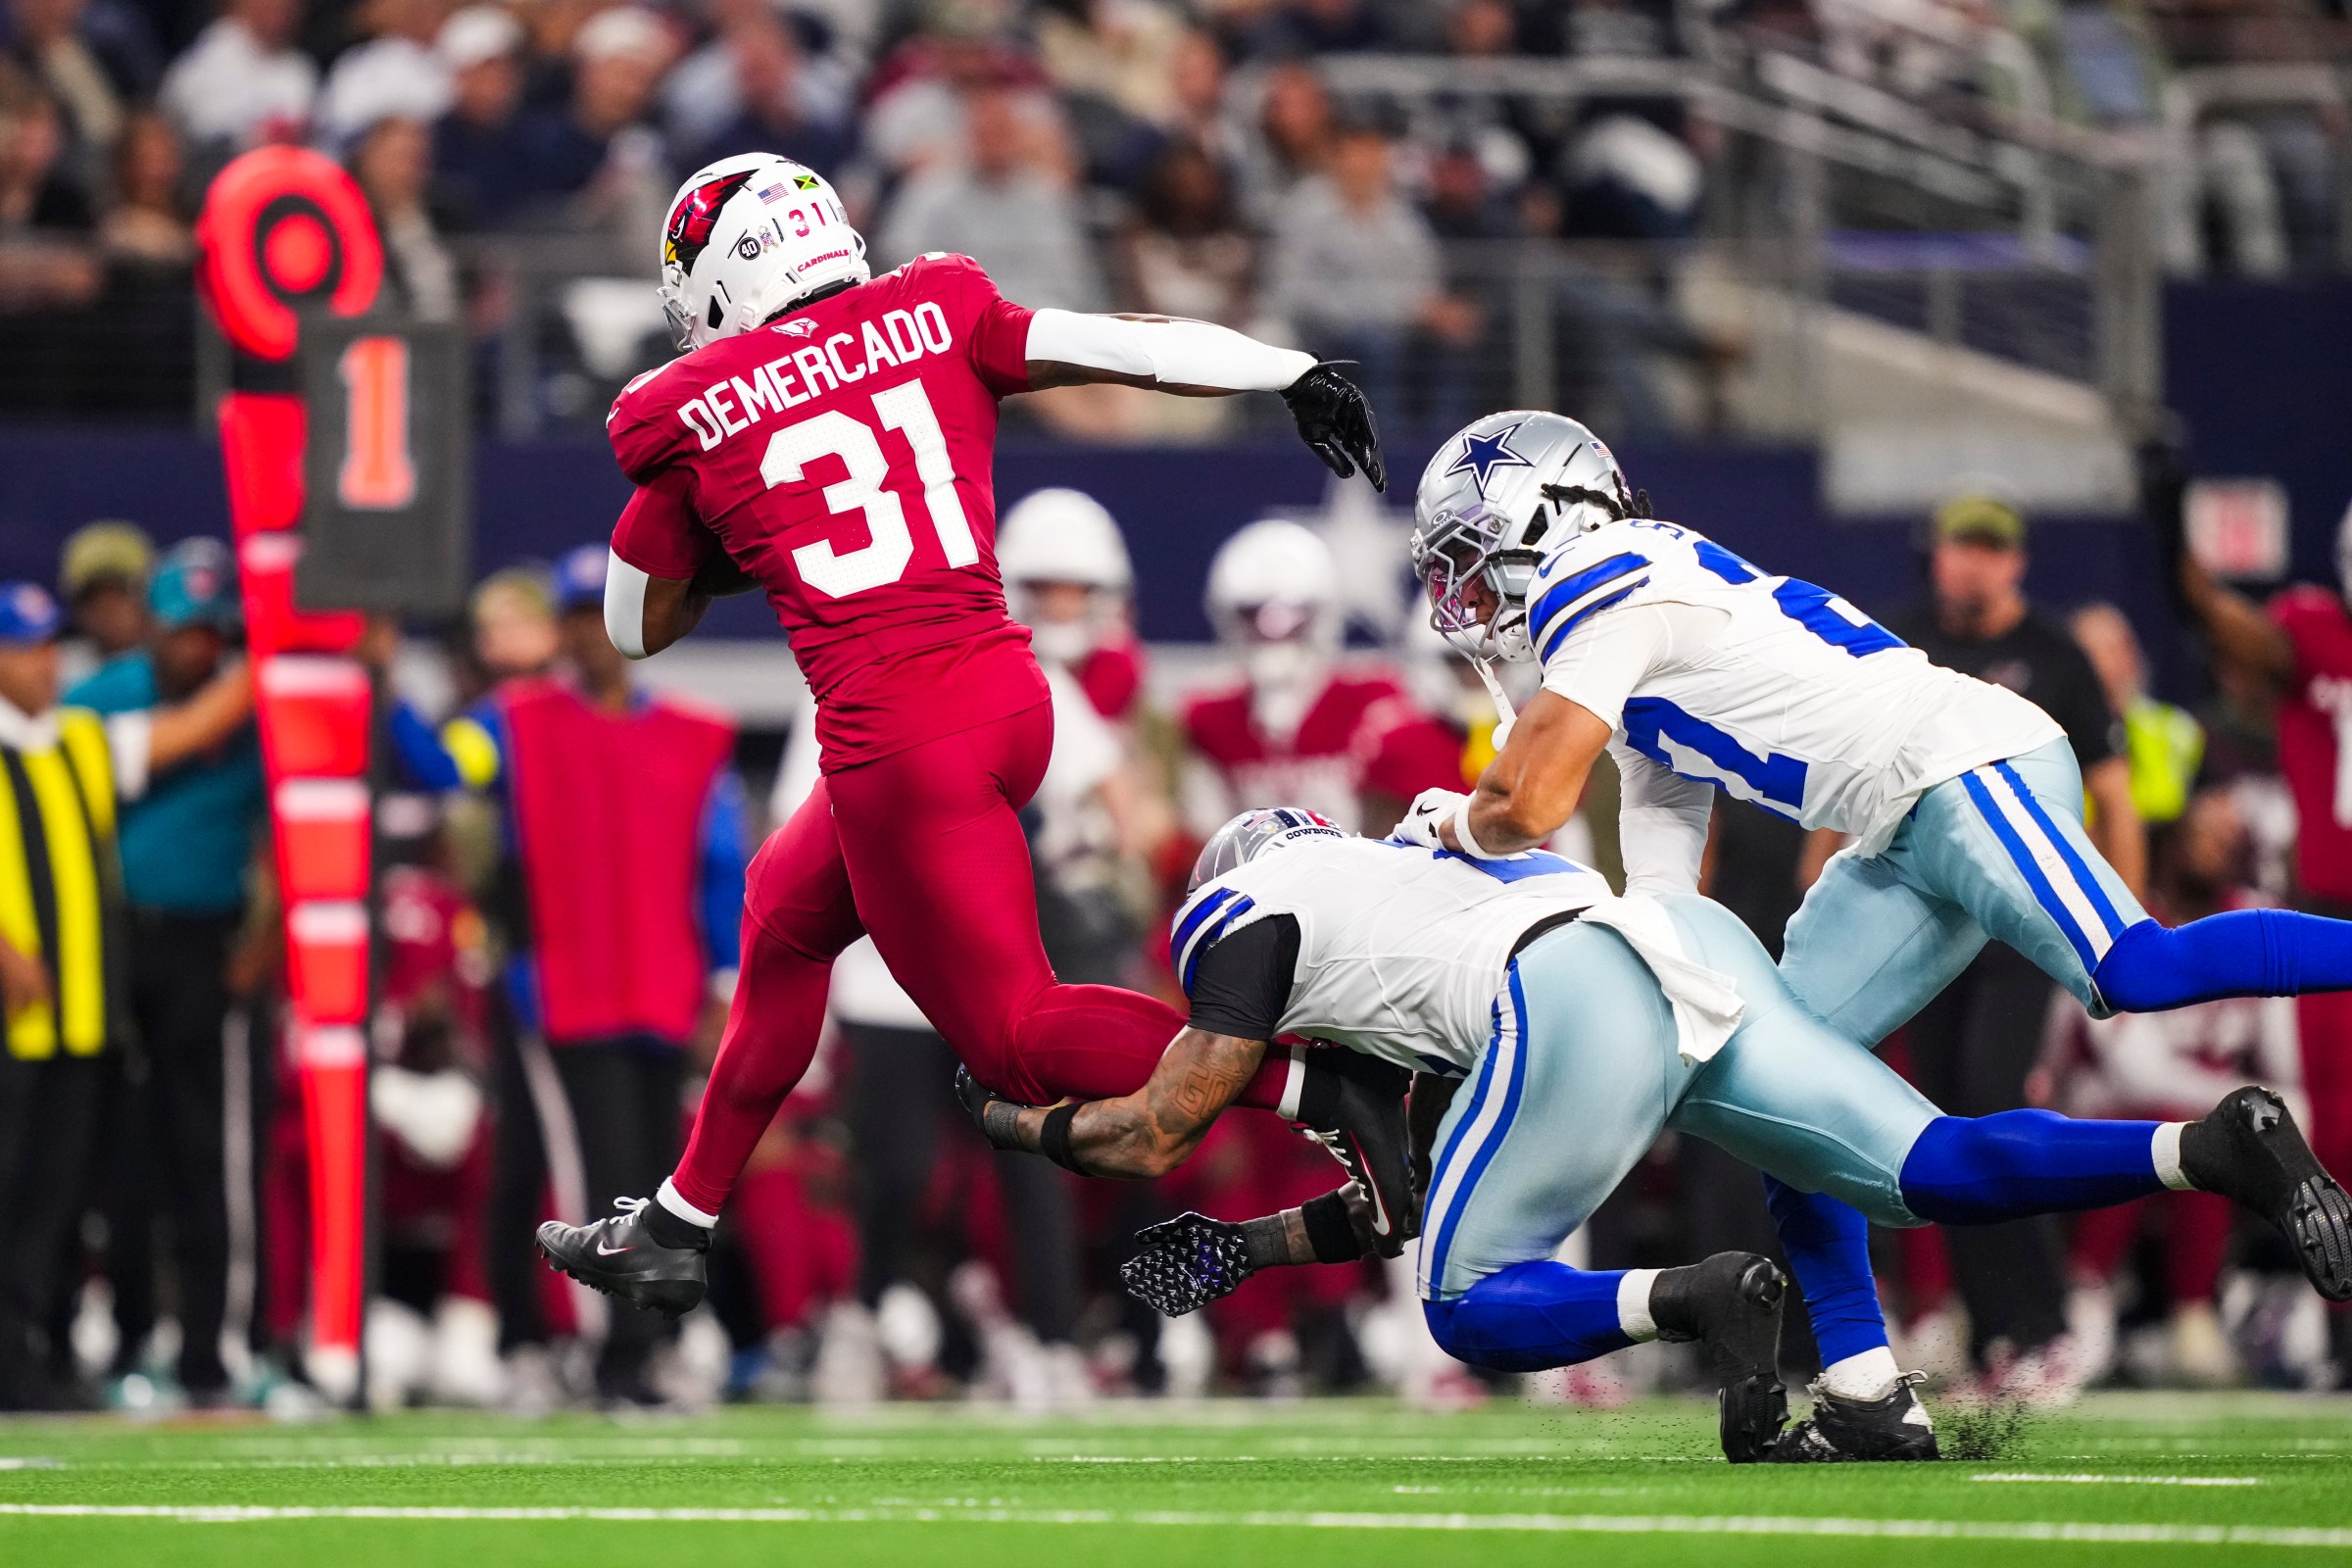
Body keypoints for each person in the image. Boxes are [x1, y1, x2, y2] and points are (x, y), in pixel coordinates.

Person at [1390, 409, 2352, 1452]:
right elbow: (1662, 864)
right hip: (1904, 819)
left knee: (2137, 966)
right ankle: (1865, 1391)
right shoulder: (1626, 614)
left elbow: (1527, 806)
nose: (1467, 598)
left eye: (1472, 560)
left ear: (1547, 517)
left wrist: (1445, 823)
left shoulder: (1599, 577)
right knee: (1775, 1093)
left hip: (1968, 762)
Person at [535, 149, 1391, 1315]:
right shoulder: (934, 307)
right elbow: (1125, 341)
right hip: (1004, 698)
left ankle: (1329, 1089)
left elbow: (632, 626)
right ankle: (679, 1218)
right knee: (785, 918)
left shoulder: (688, 409)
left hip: (897, 740)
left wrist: (738, 519)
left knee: (1020, 1038)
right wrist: (1285, 367)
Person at [958, 809, 2352, 1460]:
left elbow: (1162, 1125)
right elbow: (1400, 1192)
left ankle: (1692, 1296)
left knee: (1461, 1307)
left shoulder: (1252, 904)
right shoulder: (1402, 888)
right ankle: (2206, 1149)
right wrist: (1255, 1249)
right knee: (1925, 1167)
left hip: (1562, 990)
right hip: (1671, 934)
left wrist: (1015, 1120)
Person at [404, 545, 749, 1404]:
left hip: (661, 994)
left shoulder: (696, 736)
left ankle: (589, 1345)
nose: (596, 632)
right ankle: (616, 1357)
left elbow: (719, 868)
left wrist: (720, 980)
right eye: (579, 615)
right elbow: (445, 770)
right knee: (591, 1172)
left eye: (611, 611)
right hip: (565, 992)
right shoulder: (513, 722)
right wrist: (379, 681)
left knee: (640, 1173)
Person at [1879, 497, 2144, 1395]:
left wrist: (2119, 925)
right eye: (1963, 546)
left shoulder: (2060, 656)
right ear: (1940, 555)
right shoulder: (1905, 645)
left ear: (2016, 564)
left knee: (1991, 1102)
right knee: (1944, 1129)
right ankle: (2002, 1338)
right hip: (1929, 920)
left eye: (1992, 550)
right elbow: (1861, 775)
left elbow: (2114, 794)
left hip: (2021, 923)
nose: (1975, 565)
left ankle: (2044, 1324)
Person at [0, 578, 252, 1409]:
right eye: (25, 647)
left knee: (60, 1197)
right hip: (14, 1016)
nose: (43, 663)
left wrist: (284, 643)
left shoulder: (77, 738)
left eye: (47, 646)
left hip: (79, 1013)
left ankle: (33, 1353)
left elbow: (192, 728)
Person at [64, 538, 262, 1407]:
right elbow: (123, 759)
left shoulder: (252, 712)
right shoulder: (104, 697)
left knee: (205, 1158)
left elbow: (294, 821)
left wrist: (271, 936)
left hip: (203, 947)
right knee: (97, 1154)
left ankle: (208, 1358)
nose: (201, 648)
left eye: (217, 633)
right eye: (187, 631)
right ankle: (102, 1343)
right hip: (106, 940)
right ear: (152, 628)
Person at [2174, 473, 2352, 1383]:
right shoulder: (2315, 636)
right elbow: (2222, 621)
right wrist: (2174, 531)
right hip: (2330, 920)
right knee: (2338, 1127)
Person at [1182, 517, 1462, 839]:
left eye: (1293, 616)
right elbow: (1204, 830)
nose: (1273, 630)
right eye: (1253, 614)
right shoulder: (1210, 714)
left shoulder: (1374, 698)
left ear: (1323, 614)